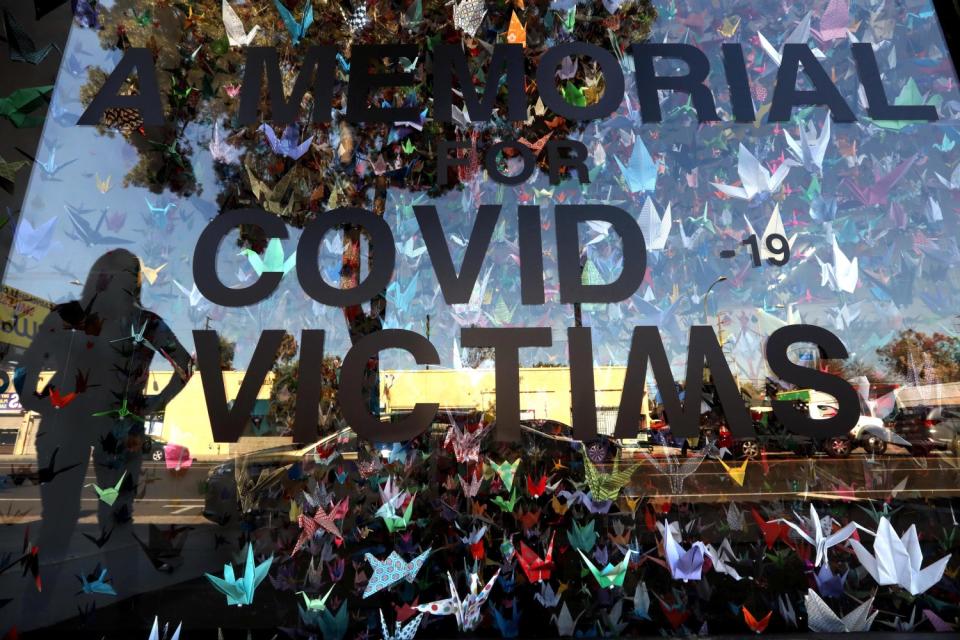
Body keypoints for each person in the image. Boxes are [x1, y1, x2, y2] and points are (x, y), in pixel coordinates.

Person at [16, 249, 192, 603]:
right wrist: (154, 404)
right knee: (115, 524)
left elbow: (27, 370)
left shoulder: (69, 316)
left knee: (60, 523)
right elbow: (186, 366)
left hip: (72, 426)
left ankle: (35, 611)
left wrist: (40, 403)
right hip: (118, 428)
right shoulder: (145, 322)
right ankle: (124, 608)